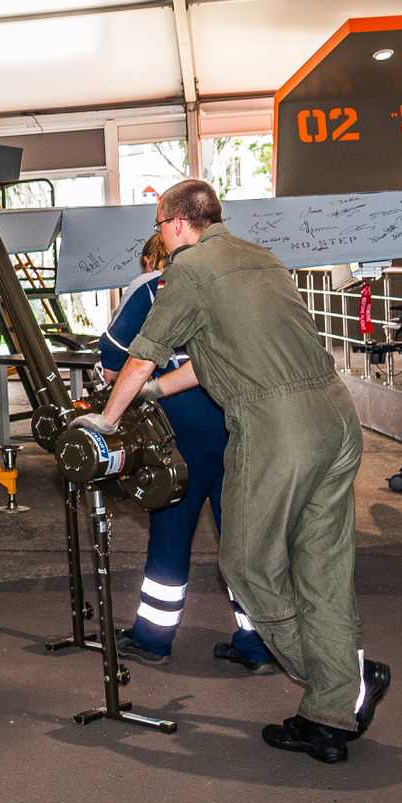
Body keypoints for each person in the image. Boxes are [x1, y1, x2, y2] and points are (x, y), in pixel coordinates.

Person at [78, 179, 391, 764]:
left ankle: (341, 685)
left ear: (175, 223)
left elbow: (142, 353)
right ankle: (327, 722)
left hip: (278, 428)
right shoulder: (259, 259)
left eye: (159, 224)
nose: (160, 234)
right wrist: (153, 394)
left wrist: (106, 419)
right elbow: (209, 361)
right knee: (322, 569)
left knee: (246, 565)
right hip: (336, 421)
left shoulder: (190, 270)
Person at [100, 233, 278, 674]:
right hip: (243, 427)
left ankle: (153, 638)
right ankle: (259, 642)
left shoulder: (150, 290)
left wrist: (118, 407)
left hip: (179, 436)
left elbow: (112, 361)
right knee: (244, 542)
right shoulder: (240, 282)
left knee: (170, 535)